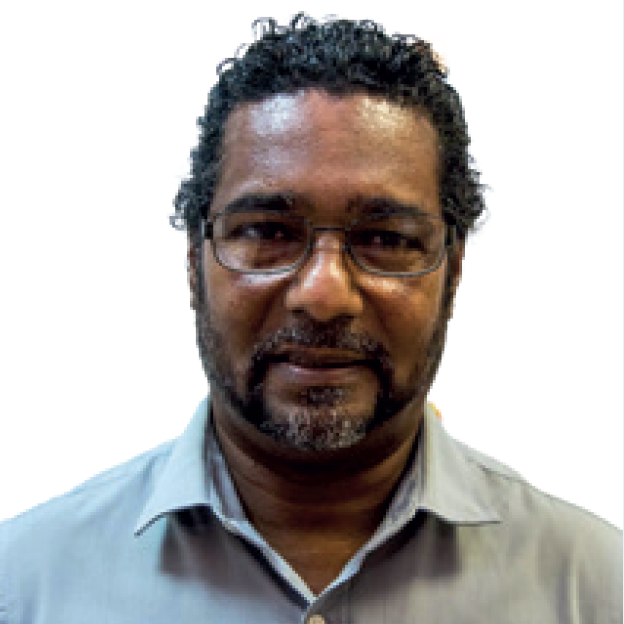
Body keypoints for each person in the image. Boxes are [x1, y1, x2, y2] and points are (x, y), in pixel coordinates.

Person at [0, 14, 620, 624]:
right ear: (193, 262)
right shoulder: (24, 586)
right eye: (268, 231)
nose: (323, 295)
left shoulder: (595, 590)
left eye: (385, 238)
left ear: (453, 271)